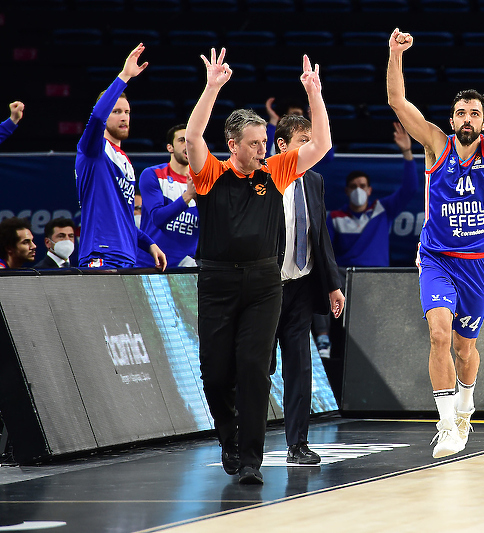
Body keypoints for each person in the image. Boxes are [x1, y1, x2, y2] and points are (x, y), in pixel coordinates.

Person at [387, 28, 484, 458]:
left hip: (478, 263)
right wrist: (394, 54)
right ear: (452, 119)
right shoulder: (436, 144)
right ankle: (446, 426)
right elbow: (398, 103)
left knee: (465, 347)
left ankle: (466, 407)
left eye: (474, 112)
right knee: (439, 335)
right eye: (461, 112)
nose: (467, 119)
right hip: (437, 257)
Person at [186, 48, 331, 484]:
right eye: (254, 143)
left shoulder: (276, 171)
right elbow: (193, 138)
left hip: (265, 282)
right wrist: (212, 87)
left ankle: (251, 460)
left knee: (253, 367)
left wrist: (314, 92)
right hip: (216, 282)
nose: (262, 149)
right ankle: (227, 438)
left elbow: (321, 144)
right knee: (215, 373)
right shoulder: (210, 174)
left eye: (265, 142)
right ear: (232, 145)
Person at [272, 114, 345, 465]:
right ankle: (240, 441)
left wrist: (332, 285)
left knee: (300, 367)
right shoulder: (265, 176)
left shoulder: (314, 181)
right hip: (265, 288)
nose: (311, 148)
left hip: (301, 286)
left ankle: (297, 444)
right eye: (304, 141)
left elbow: (321, 236)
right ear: (283, 146)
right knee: (257, 366)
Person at [75, 43, 166, 270]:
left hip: (127, 255)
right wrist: (125, 76)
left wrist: (149, 244)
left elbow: (122, 217)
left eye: (127, 112)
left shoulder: (123, 159)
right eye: (116, 111)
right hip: (100, 253)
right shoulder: (93, 149)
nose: (124, 117)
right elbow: (96, 118)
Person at [326, 121, 419, 268]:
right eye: (353, 186)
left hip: (377, 278)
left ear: (369, 190)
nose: (358, 190)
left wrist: (407, 152)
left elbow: (410, 188)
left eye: (362, 186)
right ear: (346, 191)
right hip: (345, 278)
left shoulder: (382, 209)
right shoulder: (334, 217)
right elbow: (326, 254)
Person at [135, 124, 200, 268]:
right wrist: (188, 196)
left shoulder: (203, 182)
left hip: (184, 269)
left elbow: (212, 229)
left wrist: (201, 203)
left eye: (190, 141)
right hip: (150, 265)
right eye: (182, 140)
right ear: (170, 147)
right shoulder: (153, 174)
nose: (187, 145)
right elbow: (158, 218)